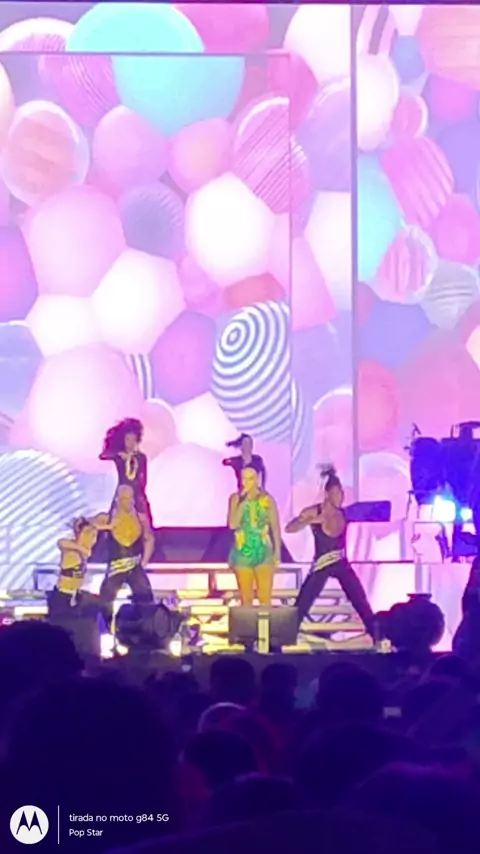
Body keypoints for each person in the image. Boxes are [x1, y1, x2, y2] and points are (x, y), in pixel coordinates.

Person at [285, 465, 375, 636]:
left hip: (341, 563)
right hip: (322, 564)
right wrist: (310, 521)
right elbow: (290, 528)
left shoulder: (344, 513)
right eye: (336, 493)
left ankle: (377, 635)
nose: (340, 497)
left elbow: (380, 510)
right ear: (327, 494)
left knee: (360, 599)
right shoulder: (314, 511)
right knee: (303, 603)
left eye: (341, 493)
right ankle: (284, 638)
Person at [99, 484, 154, 628]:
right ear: (117, 499)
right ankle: (107, 628)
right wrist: (107, 527)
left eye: (129, 498)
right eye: (123, 498)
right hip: (116, 566)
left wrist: (144, 562)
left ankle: (145, 628)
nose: (127, 502)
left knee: (146, 598)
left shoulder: (141, 518)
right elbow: (86, 525)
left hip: (135, 565)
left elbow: (149, 538)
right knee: (105, 598)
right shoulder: (107, 518)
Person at [228, 467, 281, 606]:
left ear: (257, 479)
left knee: (265, 596)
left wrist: (277, 551)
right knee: (246, 598)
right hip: (243, 551)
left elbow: (275, 526)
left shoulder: (267, 499)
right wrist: (243, 502)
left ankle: (265, 620)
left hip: (263, 550)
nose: (246, 482)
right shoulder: (235, 498)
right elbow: (233, 524)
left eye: (250, 479)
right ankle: (247, 620)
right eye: (243, 478)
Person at [49, 515, 111, 617]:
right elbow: (61, 542)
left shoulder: (85, 554)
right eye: (89, 534)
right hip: (62, 595)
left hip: (76, 595)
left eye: (94, 536)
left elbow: (104, 518)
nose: (93, 539)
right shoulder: (70, 547)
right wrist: (81, 549)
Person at [100, 417, 152, 520]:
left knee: (144, 522)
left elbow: (144, 479)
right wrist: (118, 453)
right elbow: (103, 455)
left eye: (133, 439)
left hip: (138, 495)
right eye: (128, 439)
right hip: (122, 494)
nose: (130, 443)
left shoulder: (141, 457)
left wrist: (139, 491)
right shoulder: (119, 457)